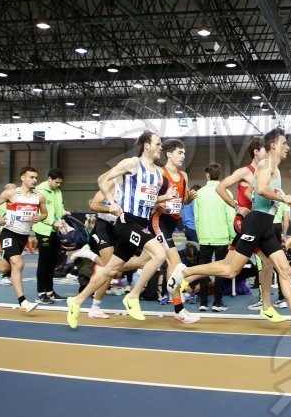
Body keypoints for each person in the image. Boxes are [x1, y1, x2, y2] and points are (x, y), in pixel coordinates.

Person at [168, 127, 291, 333]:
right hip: (255, 223)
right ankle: (185, 271)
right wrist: (280, 198)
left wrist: (264, 201)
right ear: (274, 146)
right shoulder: (266, 165)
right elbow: (260, 189)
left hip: (266, 225)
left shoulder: (274, 168)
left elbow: (253, 192)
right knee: (230, 269)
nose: (288, 147)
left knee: (284, 269)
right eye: (285, 143)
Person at [65, 130, 180, 329]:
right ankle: (133, 296)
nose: (161, 147)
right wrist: (111, 203)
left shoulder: (158, 175)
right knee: (159, 254)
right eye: (158, 144)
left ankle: (76, 302)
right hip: (127, 222)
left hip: (141, 223)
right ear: (146, 145)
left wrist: (165, 197)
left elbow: (148, 199)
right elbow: (103, 180)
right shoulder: (131, 164)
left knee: (110, 270)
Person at [212, 136, 282, 322]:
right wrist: (236, 206)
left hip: (259, 223)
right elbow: (220, 188)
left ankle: (187, 274)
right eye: (264, 150)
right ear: (256, 152)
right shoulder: (245, 171)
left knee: (231, 266)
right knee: (265, 263)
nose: (268, 153)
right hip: (244, 222)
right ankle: (266, 305)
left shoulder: (266, 171)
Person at [0, 167, 46, 313]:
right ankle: (23, 302)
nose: (35, 180)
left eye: (36, 177)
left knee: (4, 267)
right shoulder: (11, 193)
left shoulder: (39, 196)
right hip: (9, 233)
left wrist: (39, 218)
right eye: (31, 177)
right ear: (22, 178)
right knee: (18, 263)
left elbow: (44, 213)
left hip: (23, 236)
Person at [151, 138, 200, 323]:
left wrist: (190, 198)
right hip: (158, 222)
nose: (183, 156)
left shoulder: (184, 176)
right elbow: (149, 200)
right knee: (177, 263)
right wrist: (159, 203)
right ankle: (177, 299)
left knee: (166, 264)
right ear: (169, 154)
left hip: (172, 224)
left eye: (184, 153)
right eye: (179, 153)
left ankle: (178, 306)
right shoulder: (158, 173)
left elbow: (183, 201)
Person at [194, 163, 235, 312]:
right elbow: (231, 218)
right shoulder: (227, 193)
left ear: (207, 175)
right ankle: (217, 302)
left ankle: (203, 302)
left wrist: (200, 235)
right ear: (220, 175)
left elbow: (196, 219)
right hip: (222, 238)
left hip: (205, 237)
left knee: (203, 270)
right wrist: (232, 238)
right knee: (220, 270)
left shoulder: (199, 193)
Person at [32, 168, 69, 305]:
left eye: (60, 183)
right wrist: (53, 222)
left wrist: (64, 212)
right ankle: (41, 294)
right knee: (44, 262)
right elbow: (37, 213)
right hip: (43, 230)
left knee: (53, 262)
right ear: (49, 179)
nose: (59, 185)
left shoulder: (57, 191)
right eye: (57, 182)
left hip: (55, 230)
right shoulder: (40, 191)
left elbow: (57, 208)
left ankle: (50, 292)